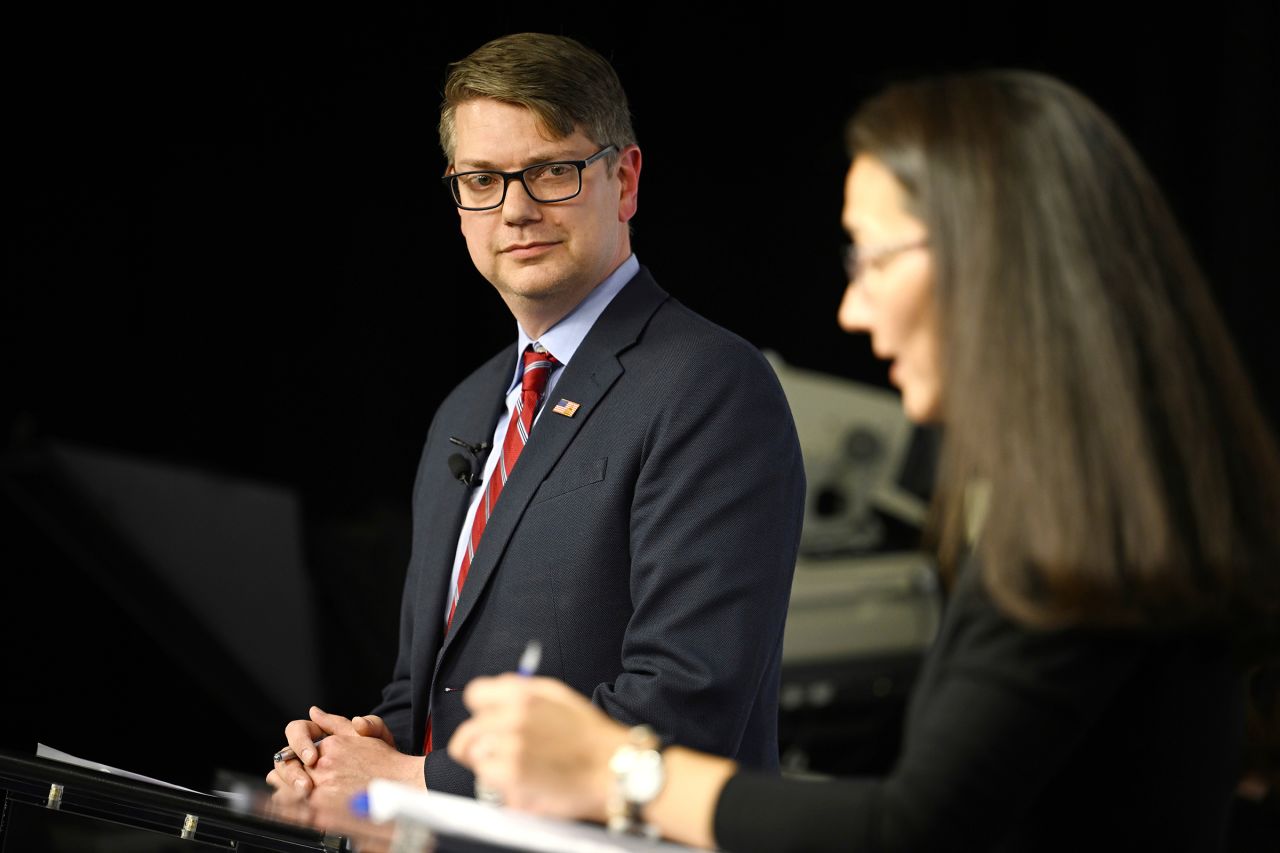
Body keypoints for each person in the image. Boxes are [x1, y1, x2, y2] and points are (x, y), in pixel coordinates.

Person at [446, 68, 1280, 851]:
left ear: (990, 258)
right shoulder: (1133, 491)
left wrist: (611, 768)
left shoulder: (1091, 520)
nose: (850, 308)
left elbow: (914, 828)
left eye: (871, 259)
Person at [264, 32, 806, 804]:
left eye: (552, 171)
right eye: (482, 180)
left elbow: (684, 709)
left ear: (625, 179)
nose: (516, 209)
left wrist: (414, 782)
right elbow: (424, 693)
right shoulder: (465, 406)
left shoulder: (712, 386)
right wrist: (352, 756)